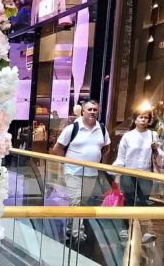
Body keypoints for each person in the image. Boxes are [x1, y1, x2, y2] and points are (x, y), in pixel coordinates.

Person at [51, 100, 110, 240]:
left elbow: (106, 147)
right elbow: (57, 148)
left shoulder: (101, 128)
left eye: (95, 109)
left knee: (81, 202)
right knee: (76, 201)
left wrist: (96, 158)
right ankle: (77, 233)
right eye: (89, 109)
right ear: (83, 111)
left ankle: (70, 226)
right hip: (73, 172)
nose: (92, 112)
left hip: (91, 172)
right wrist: (67, 162)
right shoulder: (72, 128)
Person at [113, 111, 161, 243]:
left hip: (145, 173)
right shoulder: (128, 136)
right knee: (128, 200)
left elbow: (158, 155)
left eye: (146, 118)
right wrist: (116, 173)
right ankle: (127, 228)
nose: (143, 120)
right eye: (141, 117)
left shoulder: (153, 135)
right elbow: (121, 156)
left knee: (142, 201)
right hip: (128, 172)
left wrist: (156, 148)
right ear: (135, 120)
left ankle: (142, 231)